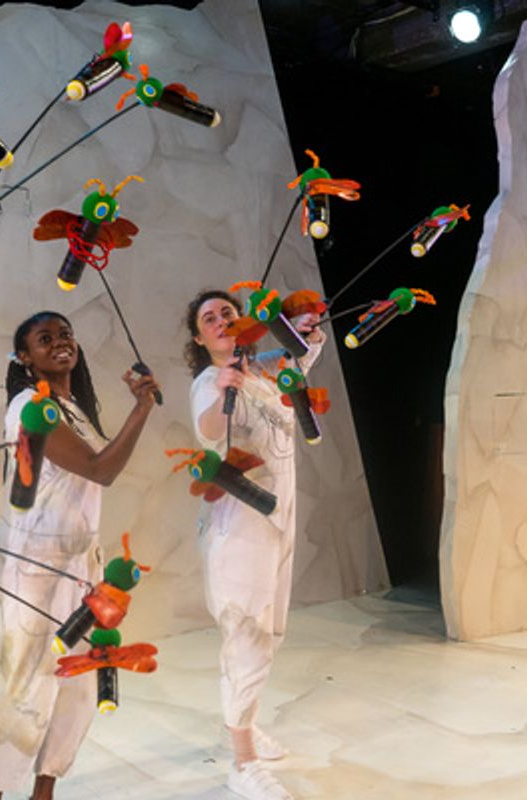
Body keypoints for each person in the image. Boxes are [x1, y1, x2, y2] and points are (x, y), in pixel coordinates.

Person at [0, 311, 160, 800]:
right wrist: (142, 408)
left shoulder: (73, 406)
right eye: (45, 338)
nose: (60, 342)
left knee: (78, 686)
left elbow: (92, 473)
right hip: (34, 567)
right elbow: (99, 470)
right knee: (29, 692)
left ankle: (44, 792)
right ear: (25, 357)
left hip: (82, 567)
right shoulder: (28, 405)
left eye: (65, 334)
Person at [184, 289, 325, 800]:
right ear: (199, 338)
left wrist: (305, 323)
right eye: (209, 318)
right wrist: (225, 387)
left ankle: (244, 723)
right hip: (239, 525)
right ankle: (241, 763)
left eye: (227, 312)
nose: (221, 320)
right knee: (247, 633)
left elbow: (303, 351)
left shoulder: (264, 367)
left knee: (272, 630)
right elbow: (208, 432)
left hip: (279, 519)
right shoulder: (208, 381)